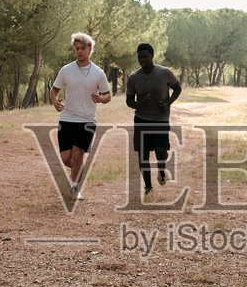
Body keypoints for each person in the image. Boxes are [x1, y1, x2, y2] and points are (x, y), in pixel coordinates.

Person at [49, 32, 111, 199]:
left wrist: (101, 98)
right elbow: (54, 90)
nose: (80, 52)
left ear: (89, 49)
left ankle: (75, 187)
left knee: (78, 154)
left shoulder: (98, 73)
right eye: (77, 49)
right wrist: (54, 101)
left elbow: (108, 96)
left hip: (87, 120)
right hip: (67, 118)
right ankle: (77, 170)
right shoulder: (66, 70)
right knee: (66, 158)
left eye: (83, 48)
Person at [124, 42, 182, 197]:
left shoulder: (164, 73)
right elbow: (129, 101)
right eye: (140, 57)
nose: (142, 60)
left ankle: (161, 169)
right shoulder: (134, 78)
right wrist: (139, 104)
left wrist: (168, 103)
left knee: (161, 151)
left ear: (152, 56)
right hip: (141, 119)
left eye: (145, 57)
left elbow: (178, 88)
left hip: (160, 119)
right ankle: (148, 186)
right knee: (143, 155)